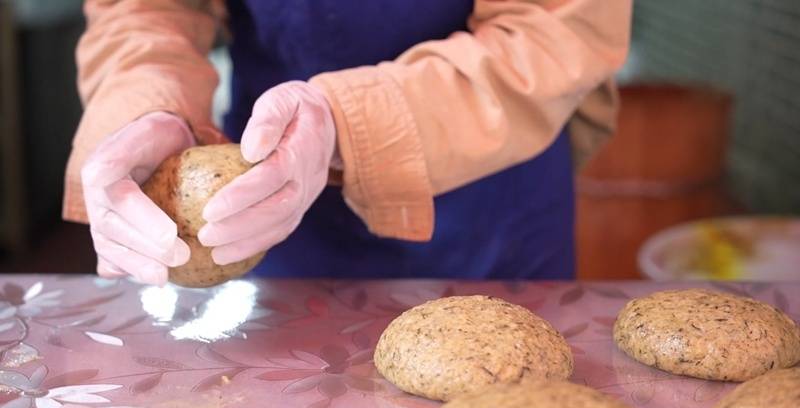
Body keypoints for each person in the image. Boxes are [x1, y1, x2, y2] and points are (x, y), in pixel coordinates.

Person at [64, 0, 632, 285]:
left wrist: (346, 121)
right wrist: (146, 104)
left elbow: (558, 29)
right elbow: (142, 10)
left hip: (487, 198)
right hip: (264, 202)